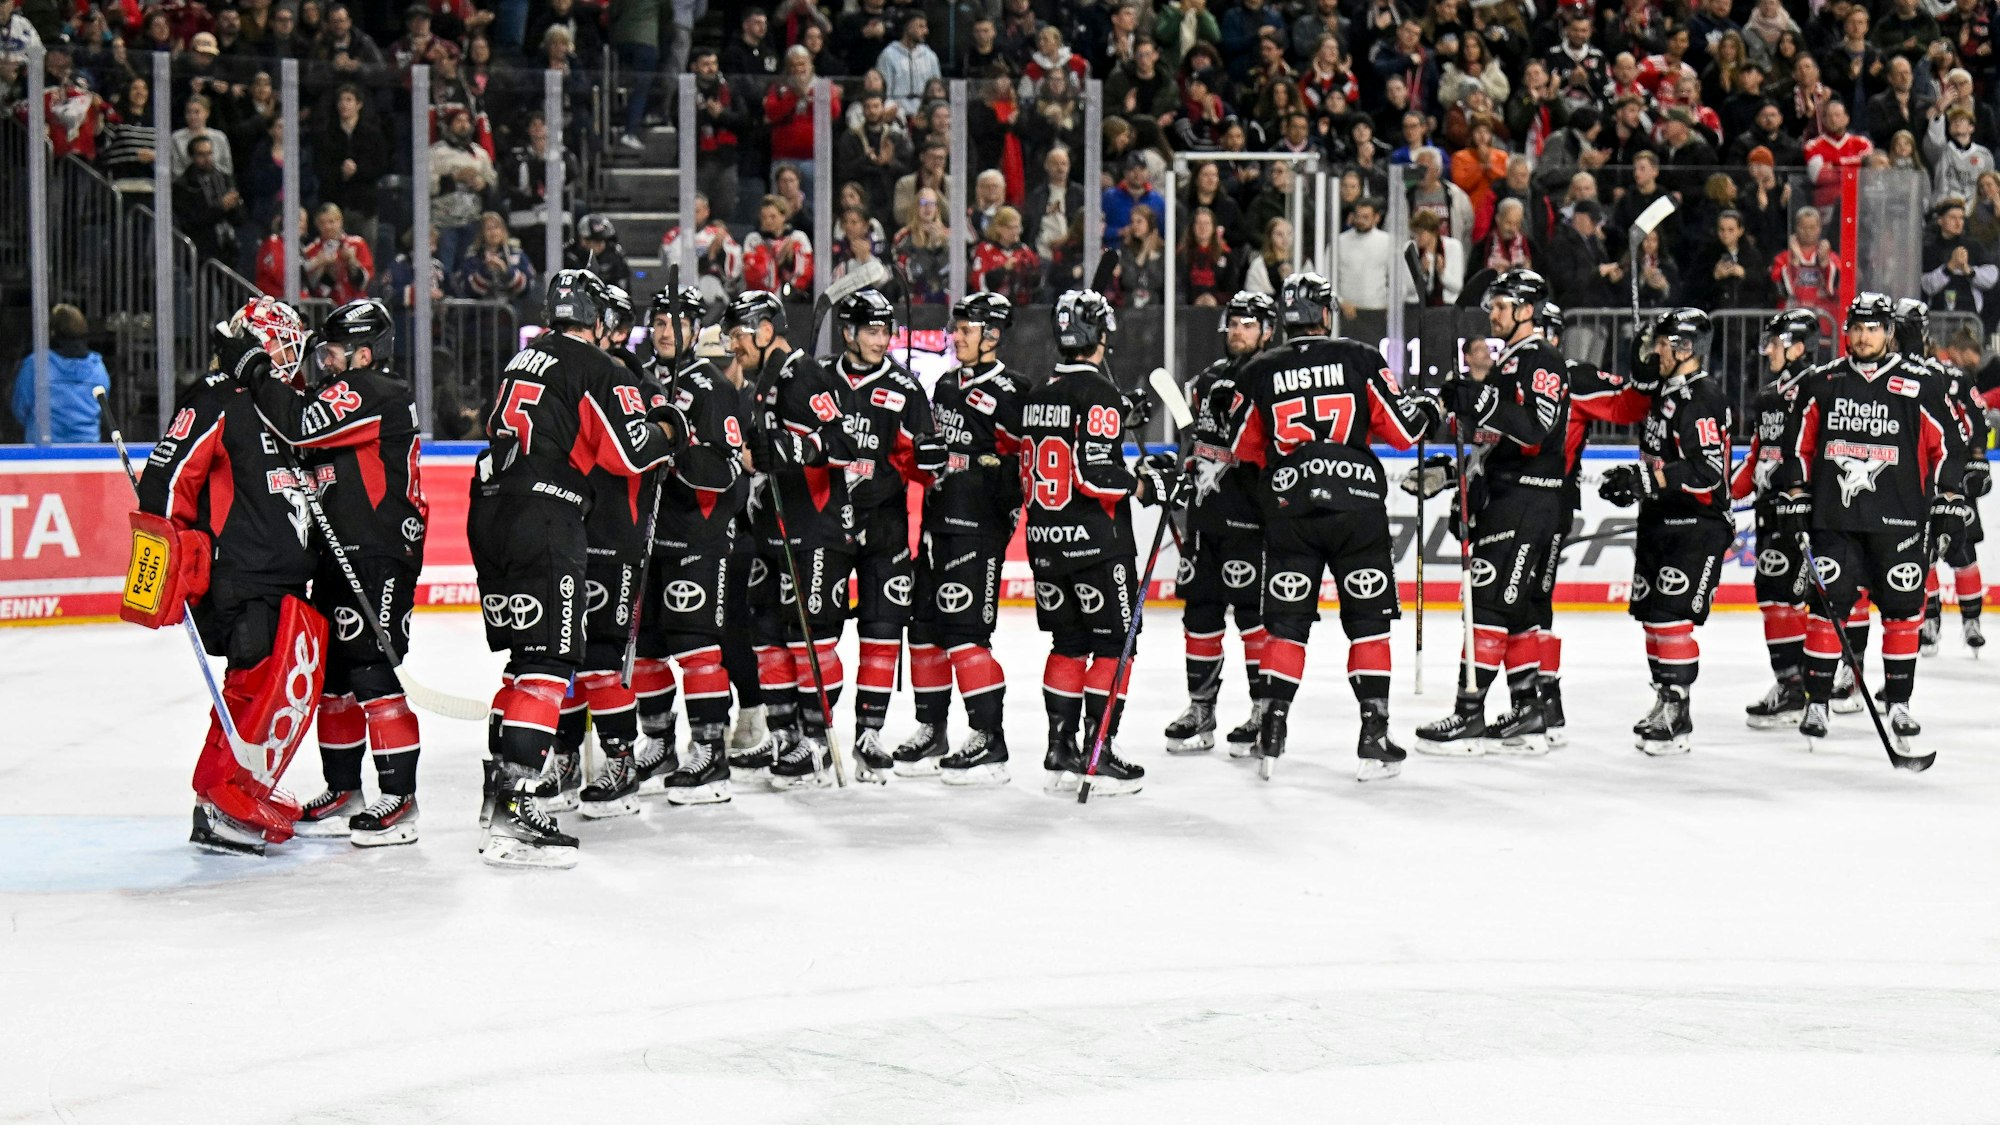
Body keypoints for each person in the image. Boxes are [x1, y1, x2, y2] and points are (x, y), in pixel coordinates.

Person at [471, 270, 681, 868]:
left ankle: (498, 799)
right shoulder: (600, 368)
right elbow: (629, 452)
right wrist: (670, 428)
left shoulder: (524, 358)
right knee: (547, 665)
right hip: (545, 515)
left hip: (489, 511)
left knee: (522, 663)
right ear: (598, 320)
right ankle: (516, 811)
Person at [1227, 273, 1442, 779]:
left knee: (1286, 626)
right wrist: (1428, 405)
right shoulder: (1361, 357)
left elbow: (1243, 447)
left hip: (1290, 510)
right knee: (1367, 623)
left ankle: (1272, 732)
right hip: (1356, 509)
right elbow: (1406, 432)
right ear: (1326, 314)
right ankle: (1373, 736)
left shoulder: (1260, 368)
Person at [129, 297, 319, 855]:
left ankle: (245, 784)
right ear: (254, 343)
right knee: (250, 682)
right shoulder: (216, 395)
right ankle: (219, 800)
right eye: (280, 341)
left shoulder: (284, 403)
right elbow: (167, 479)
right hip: (240, 573)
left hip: (282, 577)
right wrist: (168, 556)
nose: (290, 354)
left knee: (275, 686)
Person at [244, 298, 425, 845]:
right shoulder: (349, 391)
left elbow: (300, 426)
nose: (324, 364)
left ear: (364, 354)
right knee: (334, 680)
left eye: (334, 354)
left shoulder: (377, 389)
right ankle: (345, 789)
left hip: (376, 550)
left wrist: (253, 367)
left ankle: (401, 798)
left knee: (371, 671)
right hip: (339, 550)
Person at [1777, 292, 1967, 768]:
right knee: (1827, 609)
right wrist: (1797, 495)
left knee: (1904, 611)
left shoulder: (1920, 383)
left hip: (1900, 521)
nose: (1863, 336)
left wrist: (1947, 501)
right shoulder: (1823, 383)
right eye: (1856, 327)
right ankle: (1817, 703)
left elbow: (1949, 447)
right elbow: (1796, 446)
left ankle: (1898, 702)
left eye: (1873, 328)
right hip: (1835, 521)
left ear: (1889, 332)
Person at [1416, 269, 1573, 757]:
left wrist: (1480, 399)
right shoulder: (1510, 363)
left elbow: (1536, 431)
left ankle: (1469, 713)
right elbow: (1494, 438)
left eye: (1503, 305)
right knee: (1521, 612)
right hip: (1509, 496)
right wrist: (1458, 477)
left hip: (1527, 498)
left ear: (1527, 310)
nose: (1494, 313)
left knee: (1486, 604)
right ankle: (1529, 709)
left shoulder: (1541, 359)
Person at [1018, 290, 1155, 797]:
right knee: (1117, 647)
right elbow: (1095, 473)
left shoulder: (1038, 393)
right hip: (1098, 547)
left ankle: (1060, 749)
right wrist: (1145, 486)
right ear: (1100, 335)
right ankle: (1098, 750)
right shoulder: (1096, 393)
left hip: (1046, 543)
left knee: (1068, 644)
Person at [623, 286, 753, 804]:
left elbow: (729, 473)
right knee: (649, 648)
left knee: (697, 649)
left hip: (697, 536)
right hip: (646, 538)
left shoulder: (710, 386)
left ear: (696, 331)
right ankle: (658, 743)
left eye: (676, 323)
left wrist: (676, 450)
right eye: (657, 321)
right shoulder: (640, 381)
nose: (663, 331)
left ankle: (710, 751)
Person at [725, 289, 857, 788]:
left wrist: (784, 446)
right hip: (775, 532)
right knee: (767, 638)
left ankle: (818, 746)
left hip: (816, 529)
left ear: (764, 331)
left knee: (812, 640)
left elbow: (844, 444)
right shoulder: (764, 381)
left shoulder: (804, 375)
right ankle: (785, 738)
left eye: (739, 335)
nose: (733, 346)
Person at [894, 293, 1024, 781]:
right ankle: (932, 728)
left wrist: (1001, 510)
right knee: (924, 630)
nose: (958, 336)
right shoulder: (945, 385)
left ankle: (991, 738)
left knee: (966, 634)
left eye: (968, 329)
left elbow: (1022, 464)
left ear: (992, 334)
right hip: (936, 525)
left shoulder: (1014, 391)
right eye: (959, 327)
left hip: (977, 530)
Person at [1594, 310, 1734, 755]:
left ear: (1686, 347)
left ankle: (1679, 711)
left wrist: (1649, 480)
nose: (1656, 350)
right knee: (1653, 615)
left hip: (1696, 524)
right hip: (1661, 519)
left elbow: (1707, 469)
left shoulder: (1703, 398)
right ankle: (1664, 698)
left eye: (1663, 343)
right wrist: (1636, 478)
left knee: (1672, 617)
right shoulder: (1664, 392)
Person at [812, 290, 936, 782]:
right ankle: (814, 731)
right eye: (871, 330)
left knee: (882, 632)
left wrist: (929, 458)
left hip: (884, 525)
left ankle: (870, 732)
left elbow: (921, 462)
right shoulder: (819, 379)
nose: (881, 340)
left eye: (886, 331)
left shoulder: (906, 388)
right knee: (821, 635)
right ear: (848, 332)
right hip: (827, 522)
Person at [1162, 291, 1275, 758]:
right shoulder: (1206, 380)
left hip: (1253, 522)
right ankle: (1201, 709)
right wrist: (1180, 471)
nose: (1237, 331)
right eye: (1232, 323)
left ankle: (1262, 711)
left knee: (1253, 620)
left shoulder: (1274, 378)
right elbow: (1194, 443)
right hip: (1205, 523)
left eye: (1247, 325)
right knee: (1200, 617)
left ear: (1267, 330)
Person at [1732, 310, 1822, 729]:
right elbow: (1757, 455)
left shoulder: (1821, 390)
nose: (1768, 349)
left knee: (1799, 598)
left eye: (1776, 341)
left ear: (1798, 348)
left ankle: (1811, 683)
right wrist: (1720, 494)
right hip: (1771, 515)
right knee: (1772, 596)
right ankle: (1790, 682)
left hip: (1805, 518)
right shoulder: (1768, 396)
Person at [1894, 300, 1990, 657]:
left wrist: (1977, 459)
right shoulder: (1889, 376)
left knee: (1962, 550)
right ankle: (1930, 621)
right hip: (1913, 478)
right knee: (1923, 553)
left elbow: (1976, 418)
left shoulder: (1949, 377)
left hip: (1951, 475)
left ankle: (1971, 621)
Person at [11, 304, 108, 443]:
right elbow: (103, 409)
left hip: (43, 451)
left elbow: (20, 407)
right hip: (87, 450)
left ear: (52, 332)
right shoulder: (98, 368)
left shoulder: (36, 364)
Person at [742, 195, 814, 298]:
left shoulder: (798, 238)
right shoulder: (753, 240)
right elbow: (753, 277)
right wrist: (777, 259)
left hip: (794, 299)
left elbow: (805, 274)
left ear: (783, 216)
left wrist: (790, 259)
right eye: (764, 217)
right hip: (761, 298)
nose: (768, 221)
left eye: (773, 217)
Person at [301, 204, 374, 304]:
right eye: (322, 223)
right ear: (316, 225)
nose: (327, 227)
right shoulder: (311, 250)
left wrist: (352, 262)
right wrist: (322, 266)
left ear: (340, 221)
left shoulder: (357, 244)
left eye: (331, 221)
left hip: (356, 306)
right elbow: (313, 291)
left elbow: (364, 284)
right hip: (327, 310)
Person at [970, 205, 1043, 306]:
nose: (1015, 232)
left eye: (1017, 227)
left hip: (1022, 309)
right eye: (1010, 228)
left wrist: (1027, 271)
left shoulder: (1024, 250)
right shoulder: (985, 249)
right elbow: (978, 282)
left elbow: (1037, 282)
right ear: (999, 228)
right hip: (992, 307)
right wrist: (1003, 269)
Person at [562, 213, 632, 294]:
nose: (601, 245)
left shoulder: (615, 255)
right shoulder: (569, 254)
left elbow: (623, 291)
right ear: (583, 240)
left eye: (603, 240)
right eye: (596, 241)